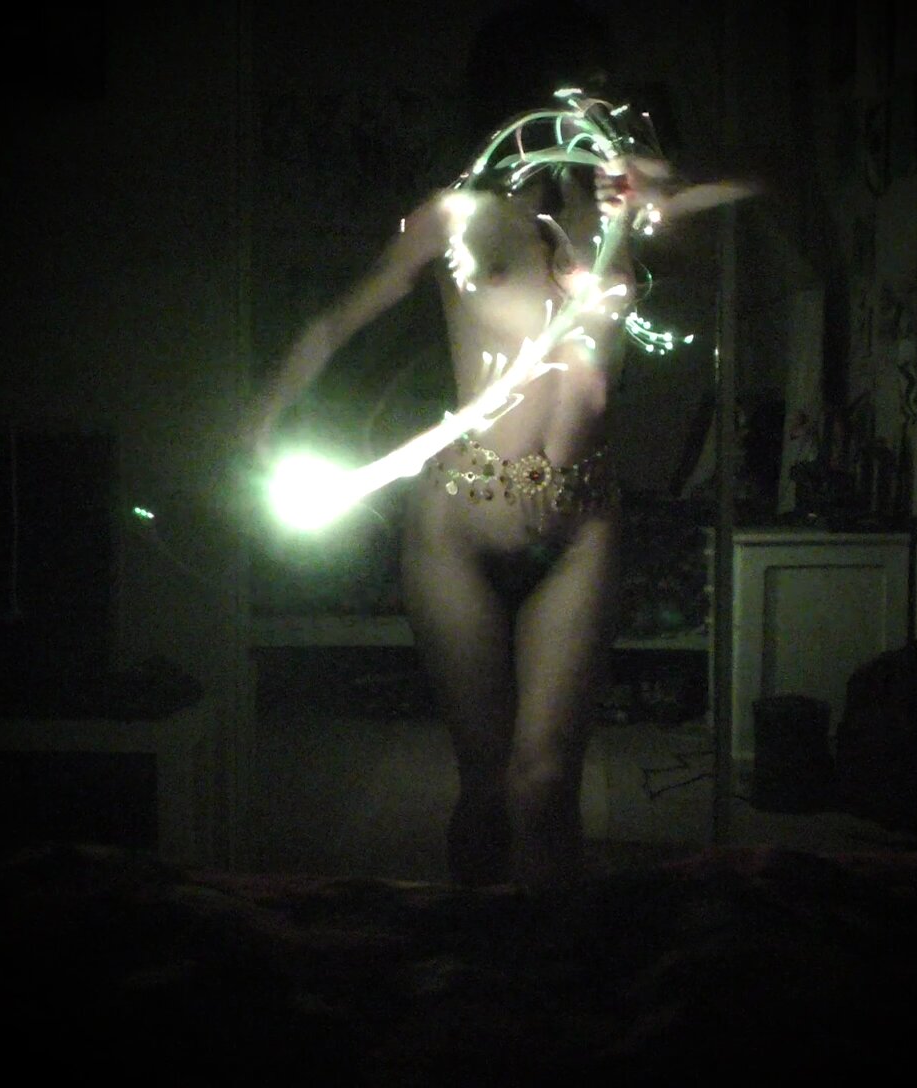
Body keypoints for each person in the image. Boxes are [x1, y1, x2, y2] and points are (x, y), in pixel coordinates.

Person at [245, 25, 751, 888]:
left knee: (545, 784)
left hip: (581, 522)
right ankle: (475, 953)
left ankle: (551, 955)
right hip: (460, 526)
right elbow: (333, 323)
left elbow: (751, 187)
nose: (599, 106)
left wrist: (657, 179)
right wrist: (261, 420)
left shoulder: (623, 208)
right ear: (528, 98)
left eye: (606, 90)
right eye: (586, 84)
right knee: (485, 788)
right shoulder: (455, 214)